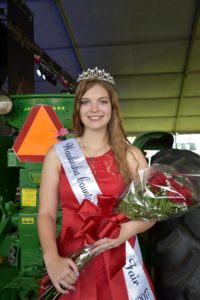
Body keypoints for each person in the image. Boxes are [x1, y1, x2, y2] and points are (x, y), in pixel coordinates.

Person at [37, 67, 156, 299]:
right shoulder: (58, 155)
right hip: (70, 265)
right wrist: (52, 259)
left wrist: (126, 231)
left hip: (121, 262)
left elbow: (150, 213)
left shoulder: (132, 156)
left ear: (113, 108)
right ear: (78, 108)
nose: (94, 109)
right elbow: (46, 214)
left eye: (102, 101)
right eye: (85, 102)